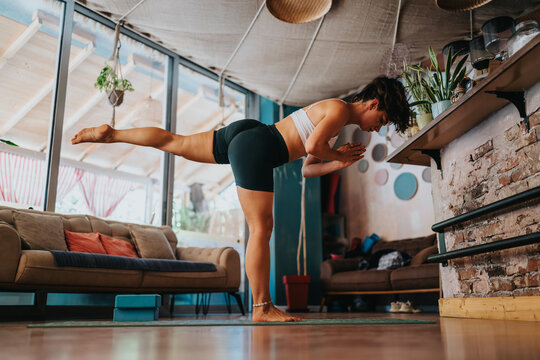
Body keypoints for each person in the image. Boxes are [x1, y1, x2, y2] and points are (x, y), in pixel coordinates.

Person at [72, 76, 410, 322]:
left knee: (175, 141)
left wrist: (338, 160)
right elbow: (311, 148)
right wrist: (335, 153)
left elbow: (308, 169)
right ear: (373, 104)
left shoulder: (333, 120)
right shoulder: (337, 109)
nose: (376, 129)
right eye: (380, 121)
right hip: (261, 147)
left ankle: (113, 134)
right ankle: (262, 308)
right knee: (261, 229)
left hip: (247, 134)